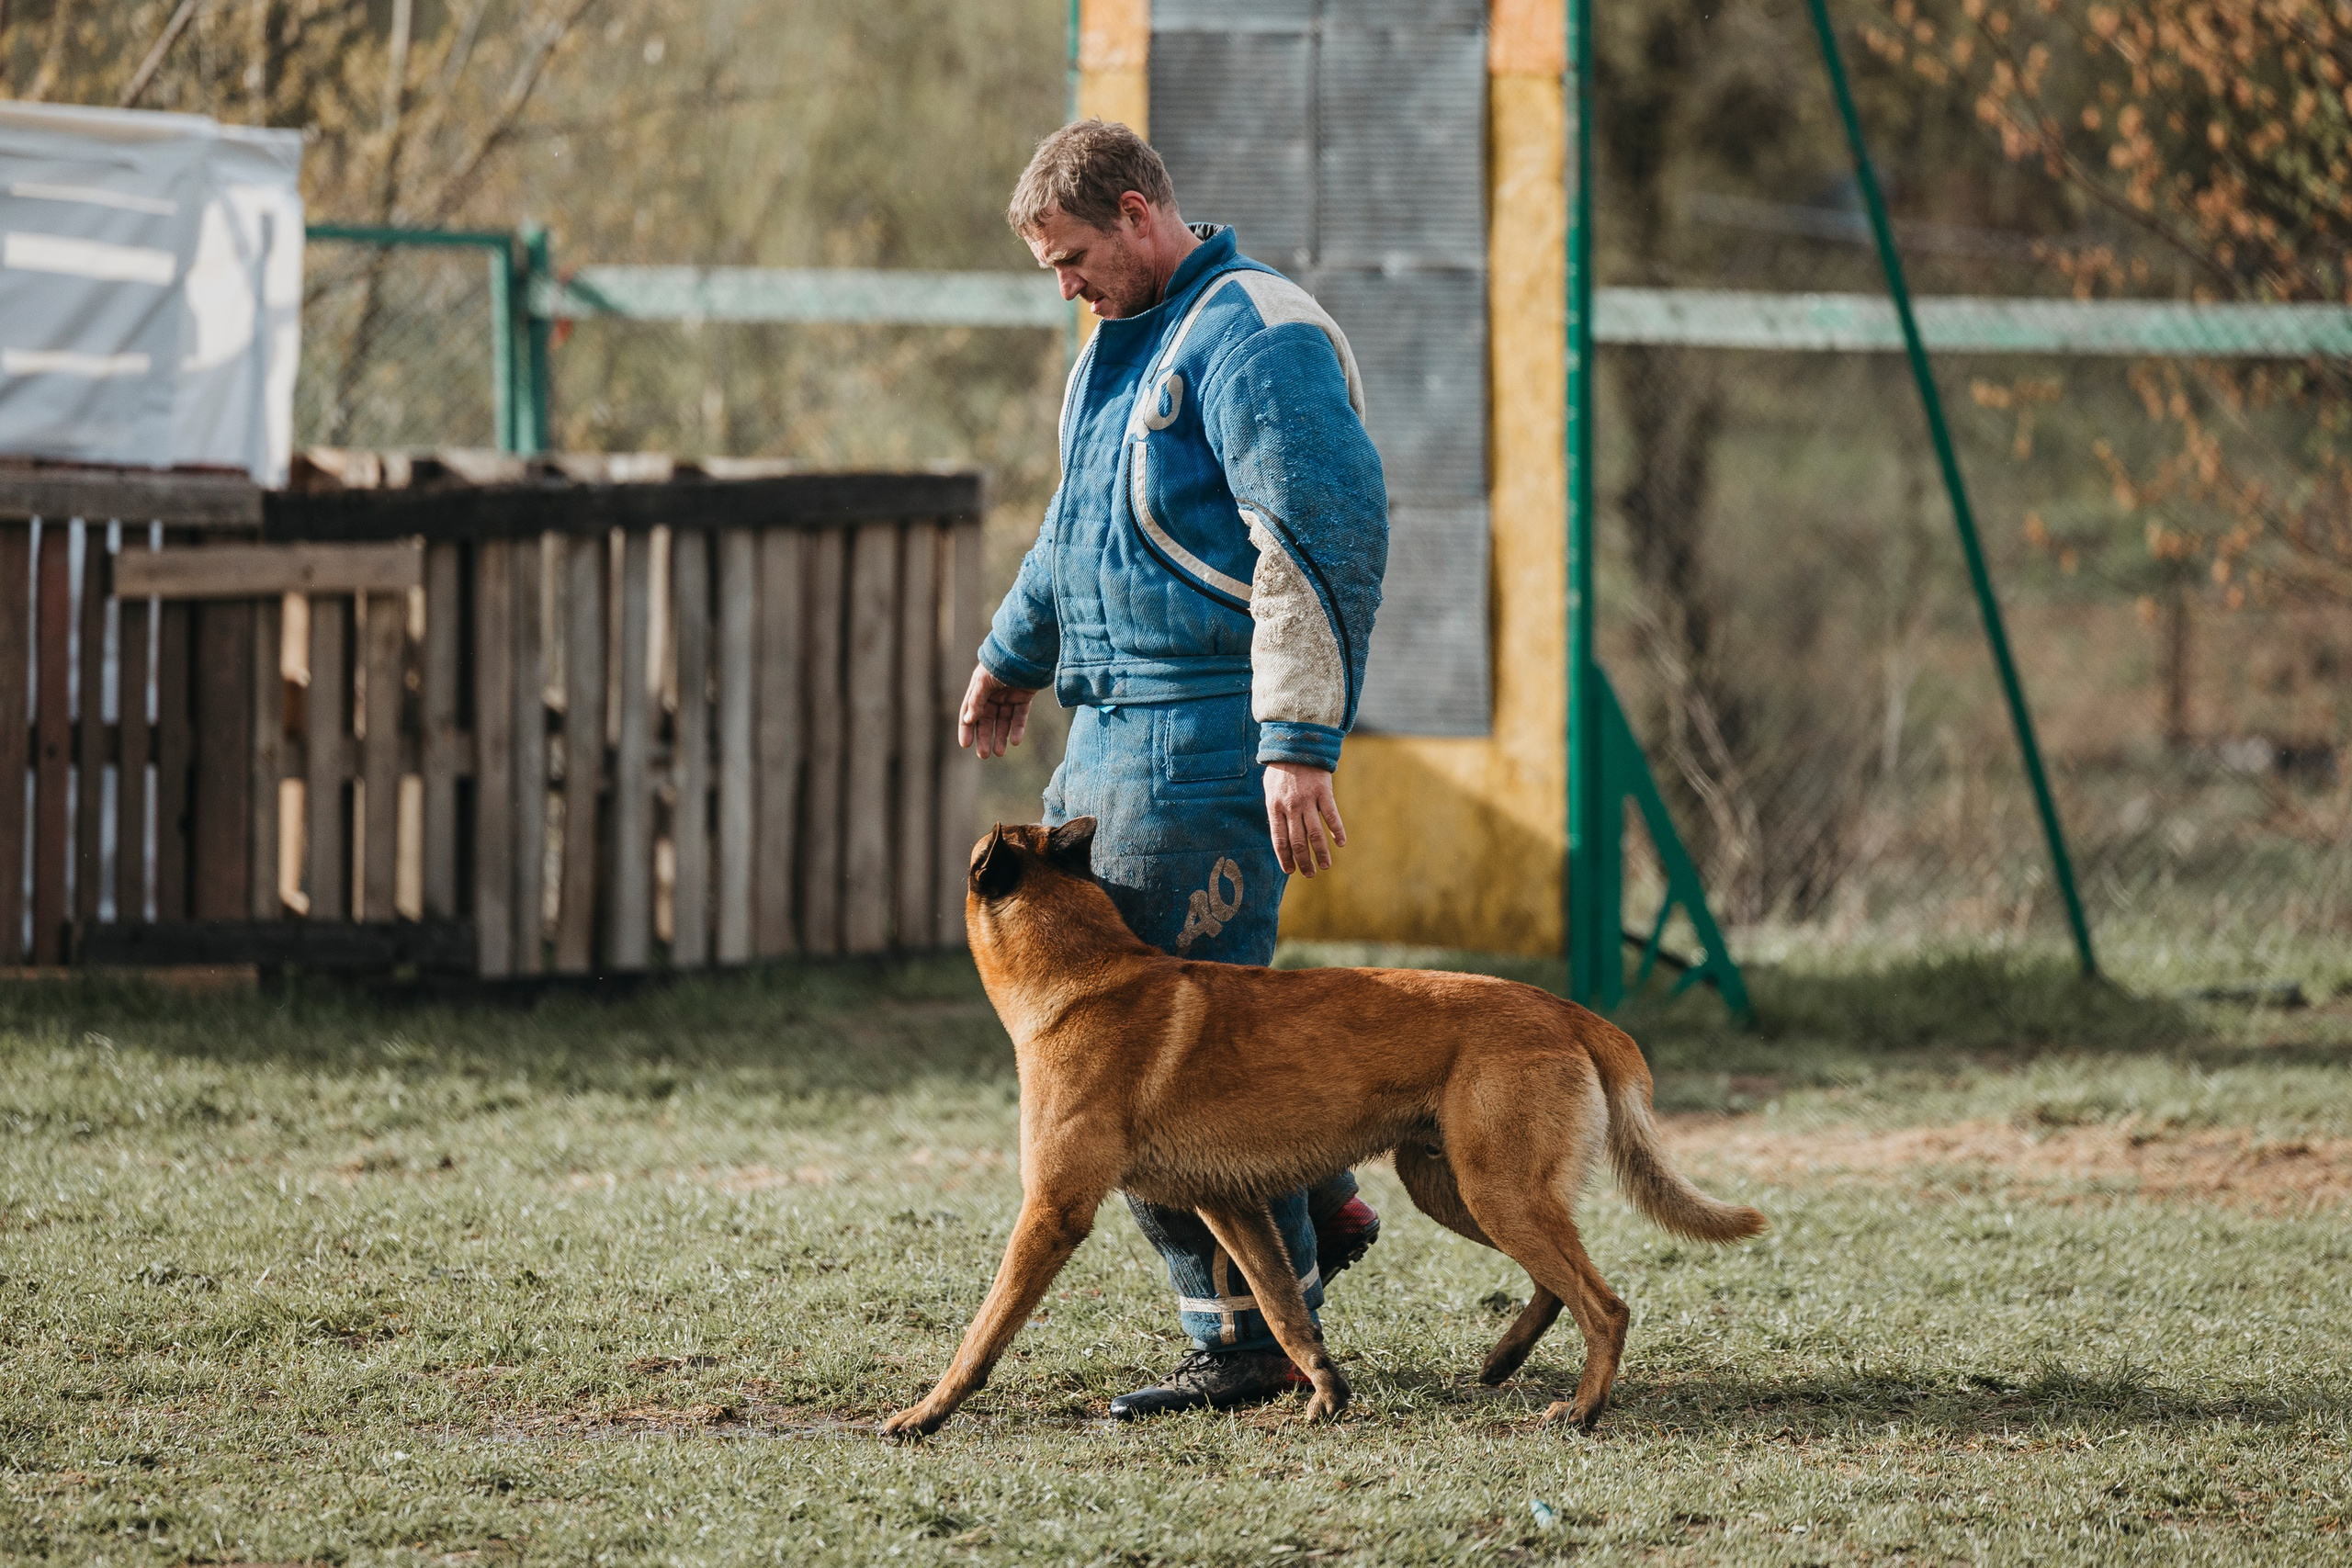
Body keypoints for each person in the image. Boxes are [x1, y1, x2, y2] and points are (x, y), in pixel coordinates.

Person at [956, 118, 1389, 1420]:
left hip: (1201, 737)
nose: (1066, 284)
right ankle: (1324, 1206)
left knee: (1128, 1077)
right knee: (1185, 1056)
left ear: (1142, 214)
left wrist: (1296, 741)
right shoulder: (1115, 349)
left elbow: (1318, 534)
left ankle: (1248, 1344)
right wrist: (1007, 657)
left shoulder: (1256, 330)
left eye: (1076, 257)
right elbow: (1072, 534)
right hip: (1110, 732)